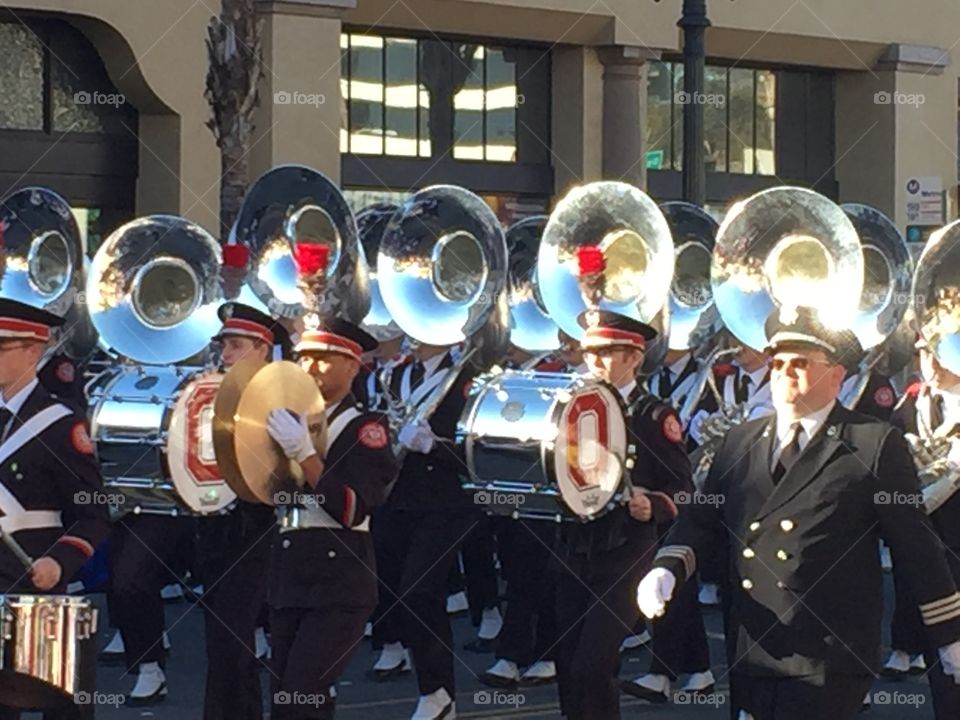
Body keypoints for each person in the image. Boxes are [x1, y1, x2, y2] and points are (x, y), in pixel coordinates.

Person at [637, 306, 960, 720]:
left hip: (829, 655)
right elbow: (701, 521)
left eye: (801, 363)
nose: (784, 373)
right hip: (754, 644)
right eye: (777, 363)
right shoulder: (740, 442)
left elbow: (916, 547)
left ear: (836, 376)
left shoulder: (872, 444)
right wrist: (667, 567)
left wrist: (948, 634)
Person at [554, 311, 692, 720]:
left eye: (606, 353)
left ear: (634, 357)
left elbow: (683, 487)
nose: (594, 362)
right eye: (589, 353)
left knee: (593, 665)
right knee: (568, 666)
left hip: (625, 551)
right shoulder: (569, 408)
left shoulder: (653, 415)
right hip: (573, 545)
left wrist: (654, 504)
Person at [266, 318, 397, 719]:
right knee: (288, 699)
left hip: (339, 579)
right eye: (303, 357)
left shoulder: (366, 428)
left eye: (323, 359)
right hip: (290, 572)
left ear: (353, 366)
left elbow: (352, 509)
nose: (309, 367)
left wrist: (305, 456)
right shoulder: (291, 419)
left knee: (302, 692)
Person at [0, 299, 110, 720]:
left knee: (54, 701)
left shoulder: (61, 424)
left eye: (1, 346)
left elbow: (93, 513)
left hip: (28, 581)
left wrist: (59, 562)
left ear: (34, 350)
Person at [371, 340, 478, 719]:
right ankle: (418, 675)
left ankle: (438, 691)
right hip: (394, 498)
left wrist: (434, 446)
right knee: (388, 587)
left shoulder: (468, 380)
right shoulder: (395, 375)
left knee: (419, 591)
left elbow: (477, 451)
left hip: (444, 502)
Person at [200, 302, 291, 720]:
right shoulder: (212, 393)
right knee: (221, 638)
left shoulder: (281, 398)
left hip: (259, 526)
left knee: (233, 635)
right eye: (224, 346)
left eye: (235, 346)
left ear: (261, 349)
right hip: (217, 526)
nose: (225, 355)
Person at [887, 336, 960, 718]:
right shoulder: (911, 405)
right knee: (945, 674)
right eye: (923, 352)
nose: (929, 362)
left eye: (937, 351)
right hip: (930, 555)